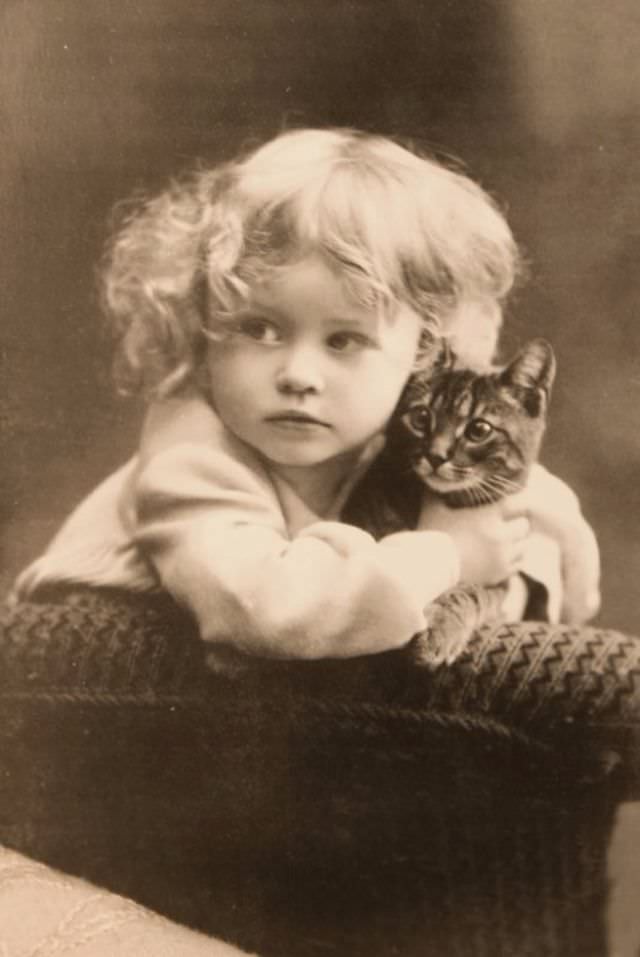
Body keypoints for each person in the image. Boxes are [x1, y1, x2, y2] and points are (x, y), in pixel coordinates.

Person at [12, 128, 600, 666]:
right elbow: (270, 612)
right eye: (258, 329)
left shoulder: (392, 434)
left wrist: (512, 563)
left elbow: (551, 535)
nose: (298, 373)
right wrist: (447, 554)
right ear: (202, 330)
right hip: (87, 679)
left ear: (423, 353)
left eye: (344, 339)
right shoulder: (191, 455)